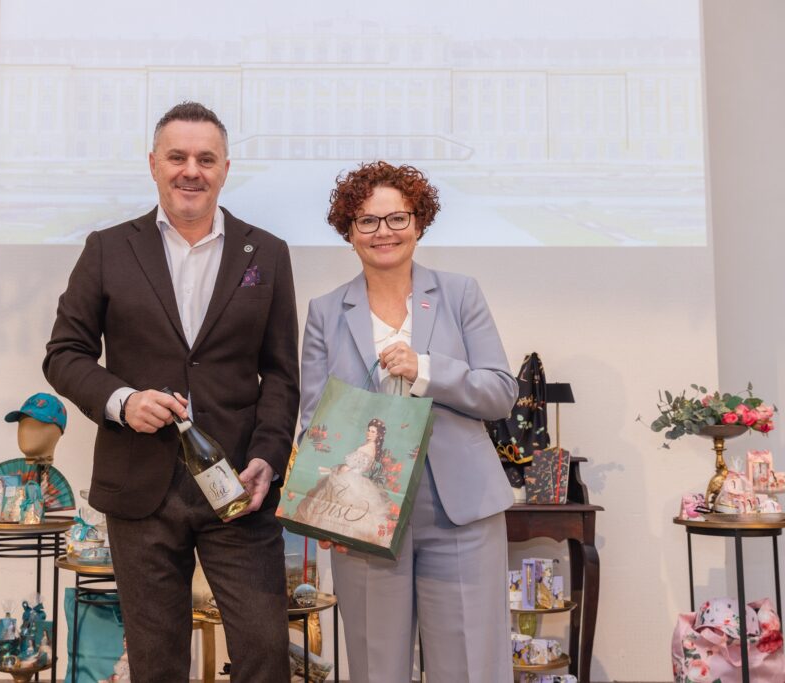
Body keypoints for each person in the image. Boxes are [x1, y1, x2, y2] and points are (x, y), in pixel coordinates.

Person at [44, 101, 298, 682]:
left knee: (265, 652)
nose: (191, 171)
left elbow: (281, 373)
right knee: (156, 663)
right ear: (153, 164)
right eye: (177, 157)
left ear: (226, 168)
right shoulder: (108, 248)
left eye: (206, 159)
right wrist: (122, 402)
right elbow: (64, 353)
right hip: (140, 486)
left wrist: (268, 456)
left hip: (239, 488)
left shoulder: (268, 252)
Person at [299, 161, 518, 682]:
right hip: (365, 516)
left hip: (460, 512)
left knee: (469, 669)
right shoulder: (326, 311)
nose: (384, 232)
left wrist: (426, 371)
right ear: (349, 231)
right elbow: (314, 424)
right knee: (377, 668)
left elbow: (500, 393)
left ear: (419, 223)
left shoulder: (460, 293)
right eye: (368, 221)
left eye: (397, 218)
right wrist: (323, 509)